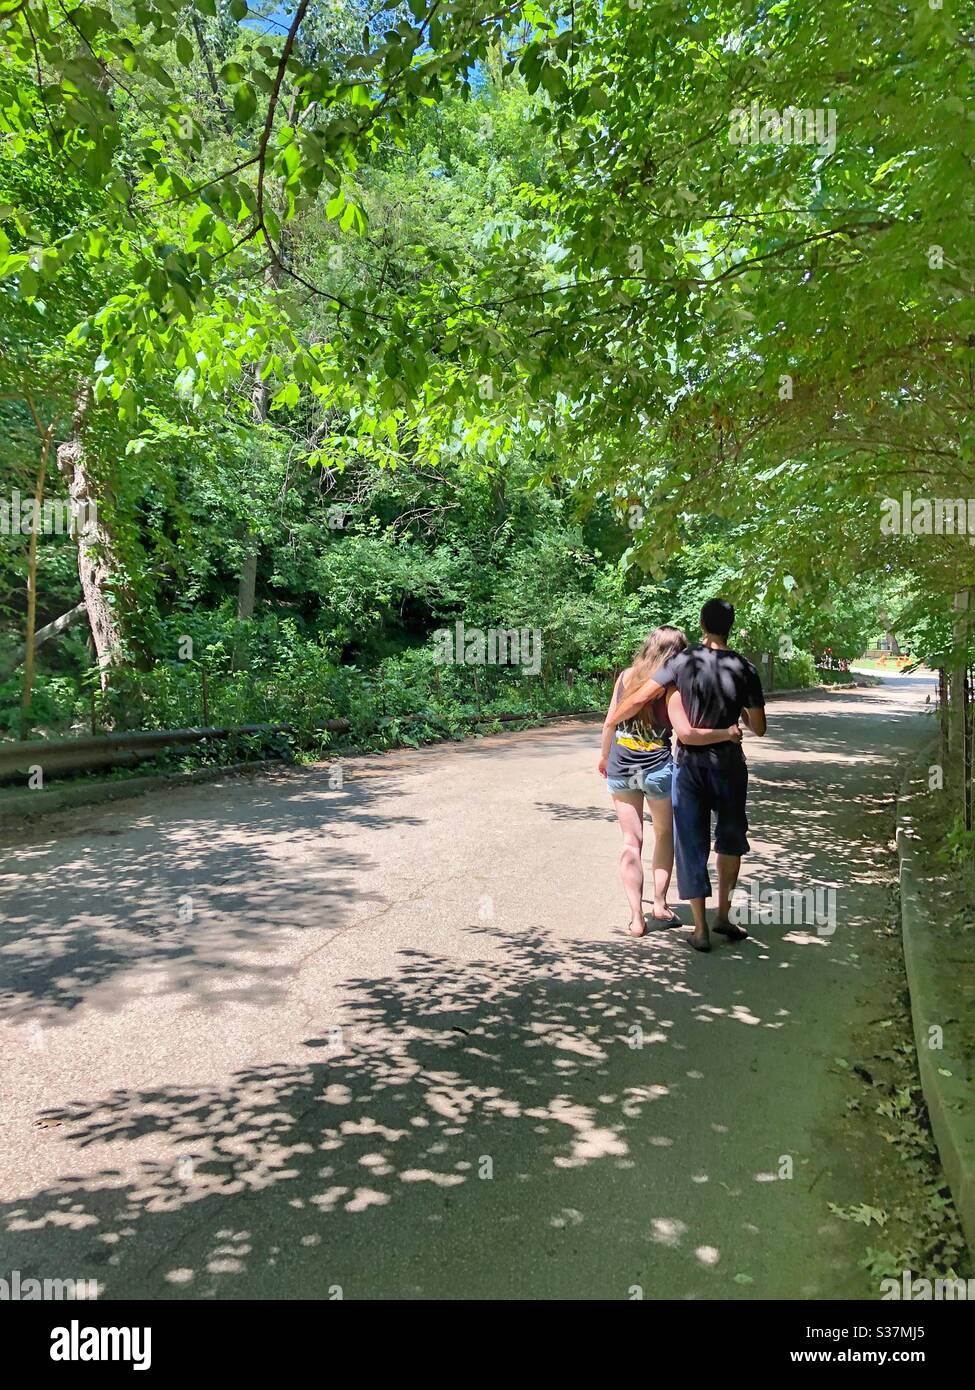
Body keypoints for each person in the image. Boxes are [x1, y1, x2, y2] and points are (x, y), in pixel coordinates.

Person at [609, 599, 767, 952]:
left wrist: (612, 721)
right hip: (729, 765)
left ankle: (699, 928)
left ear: (701, 623)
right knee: (729, 837)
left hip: (690, 767)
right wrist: (737, 705)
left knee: (691, 842)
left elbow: (643, 696)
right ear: (731, 625)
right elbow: (759, 727)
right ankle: (722, 914)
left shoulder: (682, 662)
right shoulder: (746, 669)